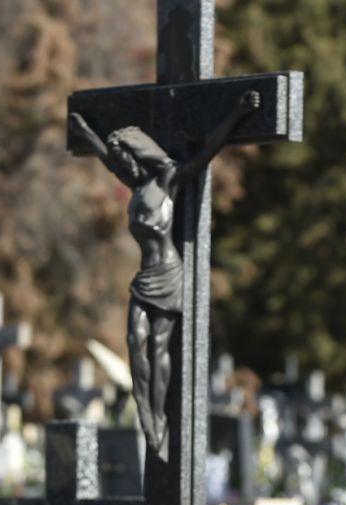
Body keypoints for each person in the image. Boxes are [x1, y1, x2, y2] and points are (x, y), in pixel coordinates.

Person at [68, 92, 260, 462]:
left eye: (126, 153)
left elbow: (207, 152)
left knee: (158, 347)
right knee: (133, 341)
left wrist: (238, 111)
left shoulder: (169, 179)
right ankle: (148, 414)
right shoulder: (136, 185)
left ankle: (160, 417)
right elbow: (105, 158)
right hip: (145, 277)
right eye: (120, 155)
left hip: (170, 273)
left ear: (139, 152)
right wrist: (85, 131)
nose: (122, 160)